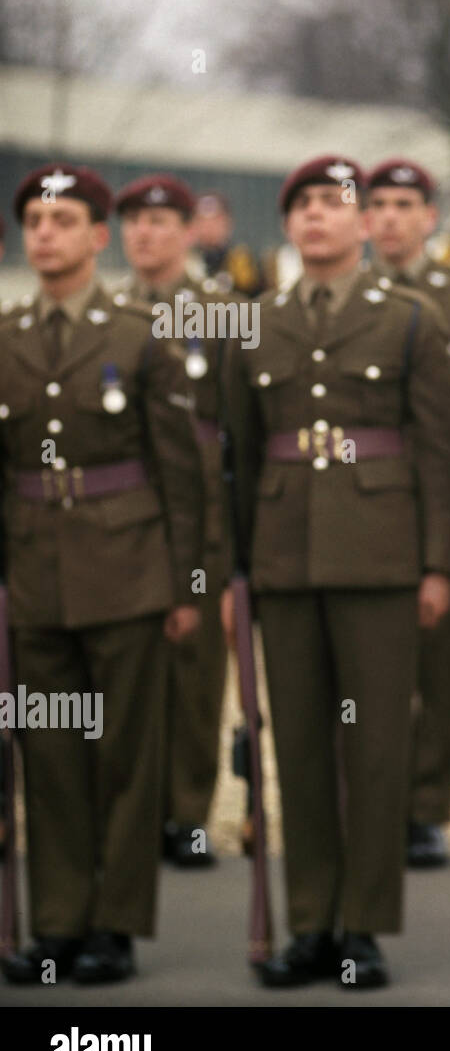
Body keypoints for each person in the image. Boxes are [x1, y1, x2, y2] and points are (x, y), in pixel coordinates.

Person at [222, 155, 450, 988]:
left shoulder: (409, 319)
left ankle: (363, 926)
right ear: (288, 224)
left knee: (374, 747)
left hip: (382, 558)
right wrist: (231, 572)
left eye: (336, 202)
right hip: (285, 557)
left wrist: (440, 564)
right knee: (297, 746)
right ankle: (311, 923)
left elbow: (440, 454)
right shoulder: (255, 322)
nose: (318, 215)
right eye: (304, 204)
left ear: (365, 224)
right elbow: (240, 458)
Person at [0, 165, 204, 984]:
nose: (45, 233)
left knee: (122, 755)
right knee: (50, 755)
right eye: (34, 220)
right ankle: (57, 923)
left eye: (64, 219)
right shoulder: (6, 334)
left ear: (96, 236)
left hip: (127, 568)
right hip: (35, 571)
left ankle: (113, 926)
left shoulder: (141, 333)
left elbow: (181, 473)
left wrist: (187, 583)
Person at [366, 156, 450, 869]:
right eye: (377, 203)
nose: (388, 216)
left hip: (448, 489)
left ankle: (425, 808)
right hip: (363, 498)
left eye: (402, 204)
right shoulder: (338, 292)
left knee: (438, 670)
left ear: (426, 217)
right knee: (369, 666)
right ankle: (372, 801)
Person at [115, 173, 230, 868]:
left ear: (189, 231)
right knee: (128, 664)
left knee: (194, 672)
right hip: (124, 516)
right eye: (133, 221)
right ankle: (133, 809)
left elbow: (241, 426)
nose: (145, 234)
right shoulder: (107, 311)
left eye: (160, 221)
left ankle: (187, 814)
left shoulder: (219, 312)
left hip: (203, 513)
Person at [190, 191, 265, 297]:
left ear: (227, 222)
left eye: (215, 220)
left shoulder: (242, 260)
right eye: (202, 220)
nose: (208, 226)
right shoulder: (186, 260)